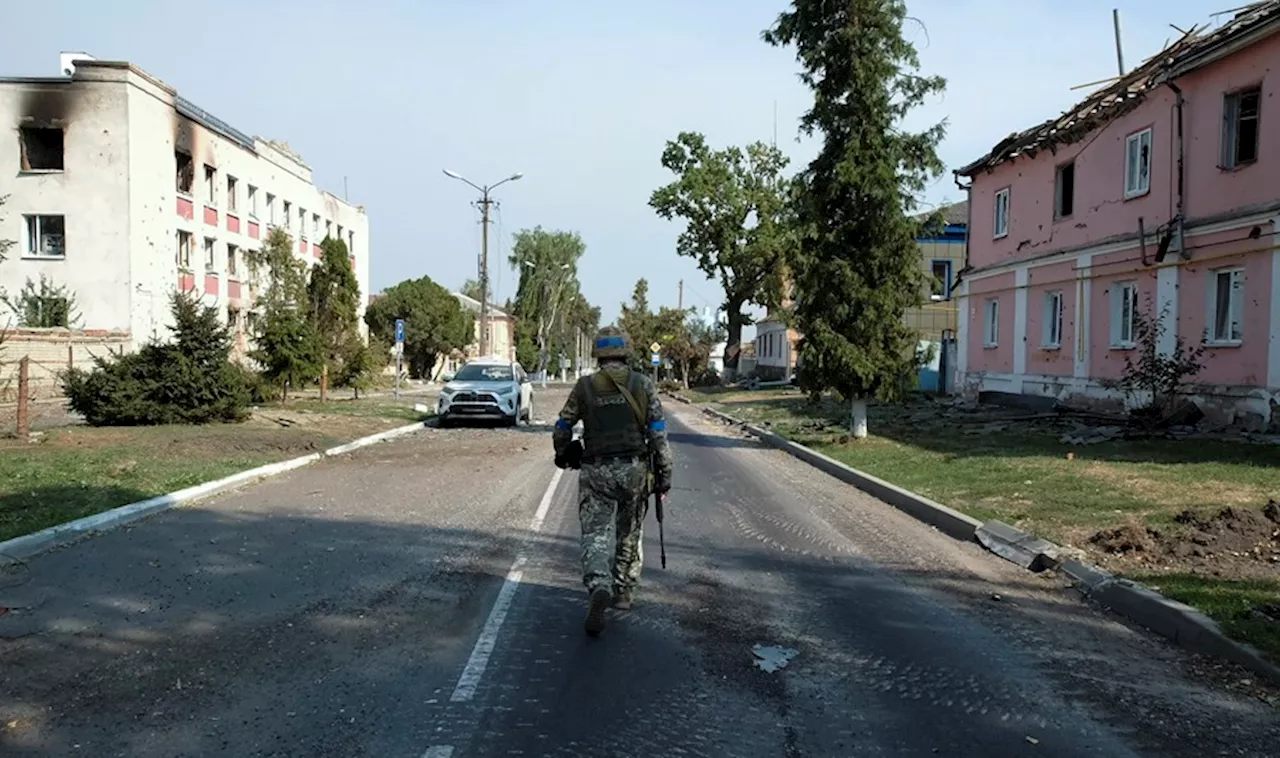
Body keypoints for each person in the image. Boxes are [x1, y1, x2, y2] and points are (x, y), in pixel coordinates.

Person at [553, 325, 673, 636]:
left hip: (596, 470)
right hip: (633, 470)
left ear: (598, 355)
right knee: (629, 530)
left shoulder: (584, 387)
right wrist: (664, 471)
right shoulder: (643, 385)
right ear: (625, 352)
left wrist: (564, 454)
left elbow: (562, 426)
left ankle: (598, 585)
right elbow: (658, 433)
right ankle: (622, 593)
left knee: (595, 534)